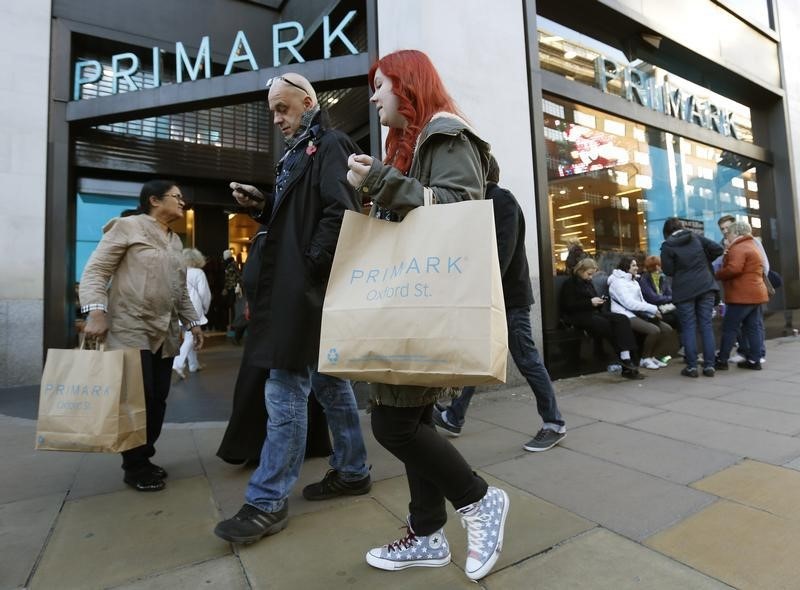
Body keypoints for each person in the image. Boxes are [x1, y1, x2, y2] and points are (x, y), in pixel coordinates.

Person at [345, 50, 509, 582]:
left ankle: (478, 501)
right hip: (412, 302)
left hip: (425, 303)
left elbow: (459, 206)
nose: (373, 97)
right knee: (409, 419)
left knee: (392, 424)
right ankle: (427, 534)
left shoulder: (445, 135)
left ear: (407, 86)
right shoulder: (411, 144)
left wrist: (379, 184)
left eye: (381, 85)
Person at [213, 73, 370, 545]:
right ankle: (354, 469)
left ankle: (266, 500)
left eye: (283, 108)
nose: (277, 118)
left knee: (283, 388)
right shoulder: (299, 152)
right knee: (329, 384)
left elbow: (340, 211)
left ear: (307, 102)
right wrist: (263, 206)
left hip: (302, 290)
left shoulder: (331, 143)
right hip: (299, 288)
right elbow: (301, 218)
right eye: (273, 111)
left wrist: (307, 269)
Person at [432, 156, 565, 452]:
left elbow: (502, 251)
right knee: (478, 358)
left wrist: (480, 289)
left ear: (480, 172)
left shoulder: (501, 199)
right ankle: (454, 415)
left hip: (509, 298)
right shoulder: (481, 201)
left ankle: (554, 422)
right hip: (493, 294)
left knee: (527, 359)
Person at [80, 180, 203, 492]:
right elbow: (96, 271)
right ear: (154, 200)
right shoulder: (127, 227)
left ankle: (145, 456)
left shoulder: (176, 241)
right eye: (177, 197)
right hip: (129, 328)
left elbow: (180, 290)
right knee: (136, 398)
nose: (182, 202)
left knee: (157, 398)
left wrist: (193, 322)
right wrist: (96, 311)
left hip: (165, 331)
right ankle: (134, 465)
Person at [216, 226, 333, 466]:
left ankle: (263, 450)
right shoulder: (299, 230)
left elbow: (255, 278)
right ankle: (305, 445)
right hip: (295, 317)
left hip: (275, 321)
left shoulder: (276, 231)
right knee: (305, 385)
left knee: (272, 385)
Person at [560, 257, 644, 379]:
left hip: (593, 313)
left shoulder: (588, 283)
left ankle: (626, 356)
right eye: (589, 274)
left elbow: (592, 300)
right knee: (607, 324)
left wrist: (600, 301)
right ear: (580, 270)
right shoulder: (569, 284)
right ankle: (624, 359)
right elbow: (568, 305)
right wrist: (590, 302)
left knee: (622, 319)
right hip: (578, 316)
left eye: (592, 274)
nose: (590, 277)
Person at [660, 218, 724, 378]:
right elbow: (718, 249)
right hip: (706, 285)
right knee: (706, 326)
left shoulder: (668, 245)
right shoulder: (695, 237)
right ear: (681, 227)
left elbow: (668, 270)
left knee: (688, 327)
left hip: (684, 290)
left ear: (667, 232)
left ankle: (692, 367)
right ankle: (709, 366)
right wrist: (702, 262)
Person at [714, 220, 769, 370]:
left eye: (729, 232)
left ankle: (722, 360)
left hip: (742, 295)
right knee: (753, 327)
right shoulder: (752, 245)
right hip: (756, 293)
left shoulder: (739, 247)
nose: (727, 235)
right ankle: (754, 360)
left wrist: (717, 274)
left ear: (737, 233)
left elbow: (734, 269)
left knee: (729, 327)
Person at [608, 256, 674, 370]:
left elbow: (641, 301)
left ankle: (653, 356)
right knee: (654, 331)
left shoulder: (634, 281)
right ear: (626, 267)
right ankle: (645, 359)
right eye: (633, 265)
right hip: (624, 315)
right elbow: (629, 303)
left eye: (636, 265)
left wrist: (651, 312)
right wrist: (653, 309)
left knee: (667, 329)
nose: (636, 268)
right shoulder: (617, 283)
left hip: (638, 313)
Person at [172, 248, 211, 379]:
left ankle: (194, 364)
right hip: (193, 307)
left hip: (179, 307)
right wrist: (206, 308)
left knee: (188, 335)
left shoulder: (179, 271)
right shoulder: (198, 272)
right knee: (190, 337)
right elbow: (204, 293)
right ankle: (178, 363)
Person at [638, 255, 679, 332]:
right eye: (661, 265)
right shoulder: (644, 280)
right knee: (676, 316)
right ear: (657, 266)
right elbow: (653, 298)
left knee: (681, 313)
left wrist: (670, 298)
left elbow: (669, 293)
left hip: (664, 307)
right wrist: (670, 298)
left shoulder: (662, 278)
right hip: (653, 310)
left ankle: (681, 340)